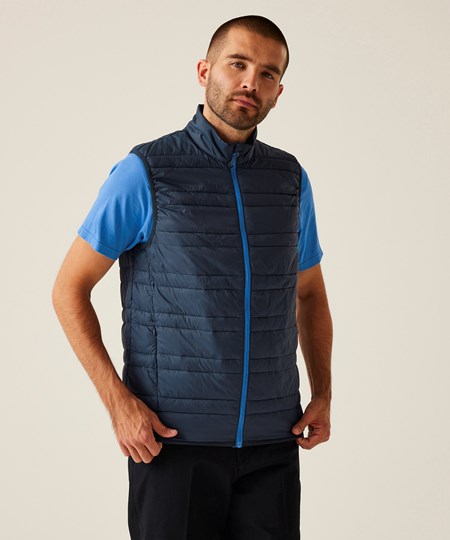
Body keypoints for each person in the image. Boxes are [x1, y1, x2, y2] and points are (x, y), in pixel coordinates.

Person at [52, 14, 333, 540]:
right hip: (172, 444)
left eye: (268, 74)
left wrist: (323, 393)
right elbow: (69, 288)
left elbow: (311, 293)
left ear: (278, 93)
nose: (251, 82)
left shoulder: (290, 180)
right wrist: (119, 403)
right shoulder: (146, 171)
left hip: (273, 443)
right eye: (237, 64)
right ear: (205, 71)